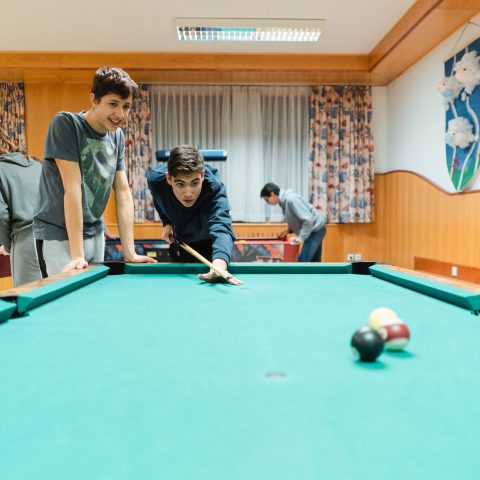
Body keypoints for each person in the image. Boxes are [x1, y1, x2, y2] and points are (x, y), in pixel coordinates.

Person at [33, 66, 156, 277]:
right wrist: (77, 255)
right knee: (68, 297)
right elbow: (72, 188)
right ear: (94, 100)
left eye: (126, 106)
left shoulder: (117, 136)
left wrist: (130, 252)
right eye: (113, 104)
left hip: (95, 234)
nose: (120, 114)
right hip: (59, 237)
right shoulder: (66, 124)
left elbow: (123, 192)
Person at [147, 145, 241, 285]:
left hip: (214, 245)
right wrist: (166, 222)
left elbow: (221, 225)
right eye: (180, 184)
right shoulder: (156, 181)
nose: (188, 193)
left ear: (202, 175)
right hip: (183, 245)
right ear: (169, 178)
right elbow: (159, 199)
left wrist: (220, 264)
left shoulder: (214, 188)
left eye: (194, 183)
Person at [0, 127, 42, 286]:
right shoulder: (37, 164)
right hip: (56, 239)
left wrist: (7, 246)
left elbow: (1, 215)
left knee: (29, 296)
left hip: (26, 241)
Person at [260, 182, 327, 262]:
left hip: (315, 230)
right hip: (315, 228)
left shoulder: (291, 199)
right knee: (314, 262)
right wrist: (288, 231)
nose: (267, 202)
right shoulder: (284, 202)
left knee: (303, 262)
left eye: (266, 199)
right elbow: (298, 219)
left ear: (272, 194)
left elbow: (308, 220)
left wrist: (300, 238)